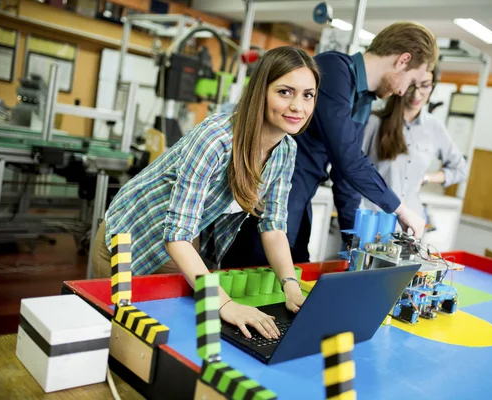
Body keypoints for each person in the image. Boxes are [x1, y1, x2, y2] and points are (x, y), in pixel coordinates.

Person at [91, 46, 321, 340]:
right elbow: (177, 234)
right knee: (117, 339)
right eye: (285, 92)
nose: (298, 107)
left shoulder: (286, 149)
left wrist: (290, 286)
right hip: (133, 239)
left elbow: (274, 225)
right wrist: (225, 303)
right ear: (260, 92)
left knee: (169, 338)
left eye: (307, 95)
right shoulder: (216, 139)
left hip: (185, 245)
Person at [221, 21, 439, 267]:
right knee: (254, 274)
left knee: (298, 269)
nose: (403, 92)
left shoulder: (364, 101)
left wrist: (354, 243)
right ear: (402, 60)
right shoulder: (333, 70)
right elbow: (347, 156)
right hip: (267, 197)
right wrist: (400, 209)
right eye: (410, 81)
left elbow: (345, 176)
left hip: (299, 200)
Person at [360, 65, 468, 221]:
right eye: (412, 85)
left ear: (432, 87)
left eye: (425, 85)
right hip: (373, 219)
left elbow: (460, 169)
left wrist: (426, 178)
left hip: (410, 222)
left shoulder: (434, 127)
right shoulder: (375, 120)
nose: (417, 94)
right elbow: (351, 168)